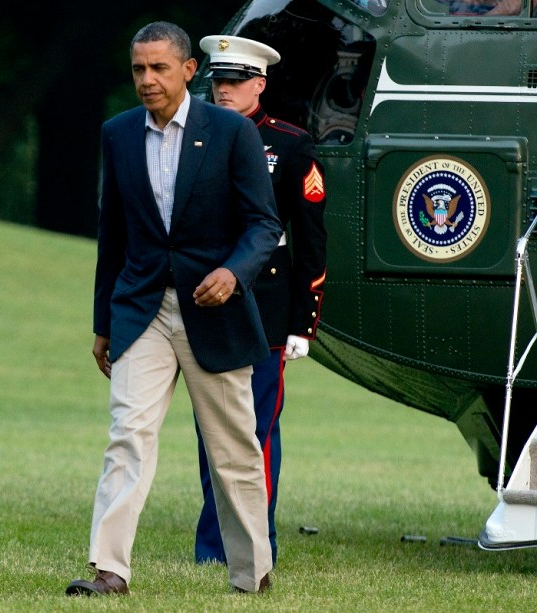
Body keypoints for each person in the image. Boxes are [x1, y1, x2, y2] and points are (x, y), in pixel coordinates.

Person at [64, 21, 281, 596]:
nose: (147, 79)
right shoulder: (118, 133)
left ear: (190, 70)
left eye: (159, 67)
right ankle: (109, 570)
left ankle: (250, 573)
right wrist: (103, 323)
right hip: (142, 310)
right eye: (138, 68)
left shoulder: (232, 133)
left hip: (216, 310)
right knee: (127, 437)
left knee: (233, 448)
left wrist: (232, 273)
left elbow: (264, 224)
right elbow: (113, 235)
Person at [193, 35, 327, 567]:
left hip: (266, 302)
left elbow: (311, 239)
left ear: (259, 84)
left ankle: (255, 543)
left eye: (234, 81)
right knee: (211, 430)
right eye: (217, 80)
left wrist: (304, 323)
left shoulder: (291, 146)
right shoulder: (194, 138)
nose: (223, 89)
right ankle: (211, 548)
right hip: (205, 298)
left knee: (256, 431)